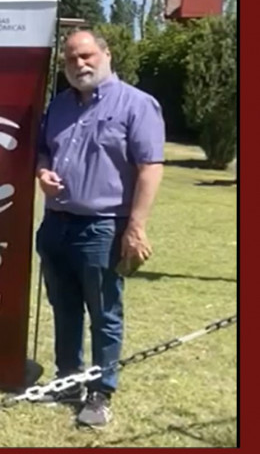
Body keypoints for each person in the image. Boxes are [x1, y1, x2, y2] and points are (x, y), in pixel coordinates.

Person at [35, 28, 165, 428]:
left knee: (105, 313)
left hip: (104, 227)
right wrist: (41, 170)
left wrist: (136, 227)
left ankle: (101, 392)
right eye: (72, 59)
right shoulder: (58, 106)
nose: (80, 64)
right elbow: (43, 149)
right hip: (56, 224)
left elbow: (150, 168)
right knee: (65, 308)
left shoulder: (137, 105)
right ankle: (69, 380)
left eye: (87, 56)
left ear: (106, 55)